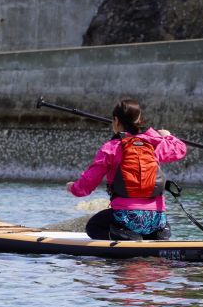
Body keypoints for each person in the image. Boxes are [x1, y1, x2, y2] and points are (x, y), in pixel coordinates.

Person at [66, 98, 187, 240]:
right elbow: (180, 149)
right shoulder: (153, 143)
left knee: (93, 226)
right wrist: (167, 136)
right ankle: (160, 233)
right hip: (156, 218)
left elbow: (88, 182)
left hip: (125, 217)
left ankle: (129, 237)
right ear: (140, 120)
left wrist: (73, 188)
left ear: (116, 121)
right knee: (157, 222)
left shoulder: (111, 148)